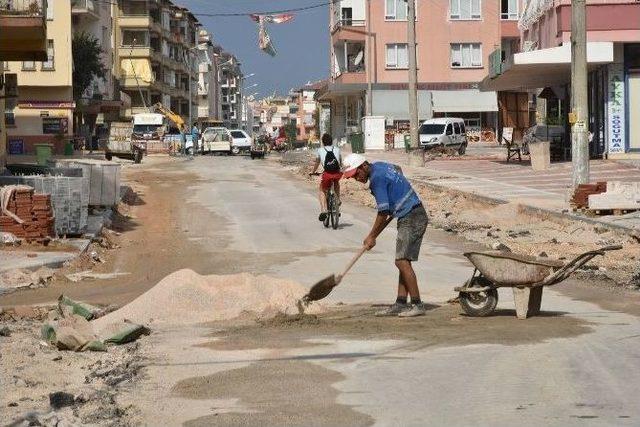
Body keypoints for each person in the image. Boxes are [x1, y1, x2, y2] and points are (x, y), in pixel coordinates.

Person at [342, 153, 428, 317]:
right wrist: (397, 192)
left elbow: (383, 212)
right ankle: (400, 303)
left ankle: (417, 304)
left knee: (402, 261)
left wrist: (371, 236)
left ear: (364, 166)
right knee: (403, 261)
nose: (356, 179)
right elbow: (398, 169)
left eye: (356, 174)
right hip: (409, 213)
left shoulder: (376, 180)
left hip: (413, 215)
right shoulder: (380, 166)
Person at [310, 133, 342, 222]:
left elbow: (317, 162)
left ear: (323, 142)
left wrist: (313, 172)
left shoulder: (320, 150)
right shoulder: (337, 149)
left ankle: (324, 210)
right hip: (337, 173)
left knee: (322, 189)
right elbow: (340, 162)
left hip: (327, 174)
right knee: (336, 183)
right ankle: (338, 200)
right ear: (331, 141)